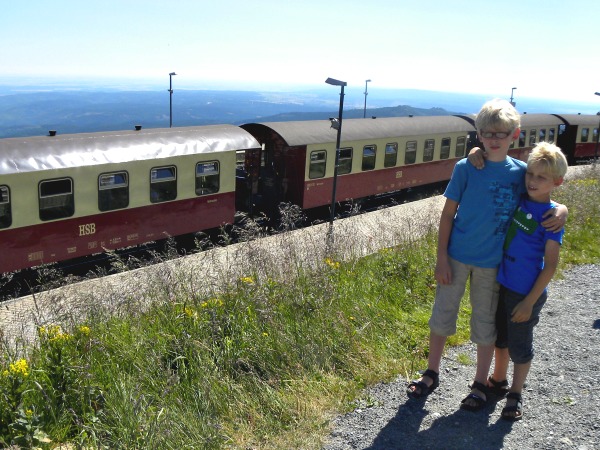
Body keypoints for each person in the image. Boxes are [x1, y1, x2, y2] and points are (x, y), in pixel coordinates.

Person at [406, 99, 567, 412]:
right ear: (478, 135)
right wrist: (441, 257)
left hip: (492, 264)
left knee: (484, 323)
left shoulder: (521, 173)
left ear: (514, 135)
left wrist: (562, 208)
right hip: (456, 256)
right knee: (442, 315)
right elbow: (447, 214)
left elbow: (543, 193)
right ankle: (431, 372)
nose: (494, 139)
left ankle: (480, 383)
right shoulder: (466, 167)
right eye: (488, 133)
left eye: (501, 133)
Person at [486, 142, 568, 421]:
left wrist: (529, 302)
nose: (532, 181)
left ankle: (515, 393)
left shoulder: (551, 218)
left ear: (556, 182)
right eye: (531, 174)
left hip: (526, 294)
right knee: (501, 337)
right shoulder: (520, 198)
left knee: (521, 346)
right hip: (504, 283)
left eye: (541, 177)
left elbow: (551, 265)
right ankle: (498, 380)